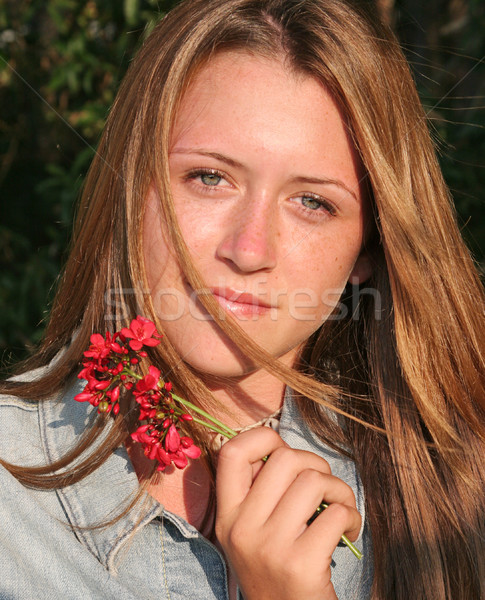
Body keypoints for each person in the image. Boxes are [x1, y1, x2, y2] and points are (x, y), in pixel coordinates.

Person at [1, 0, 484, 598]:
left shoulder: (454, 488)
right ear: (134, 187)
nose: (249, 249)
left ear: (369, 250)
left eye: (313, 202)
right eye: (210, 177)